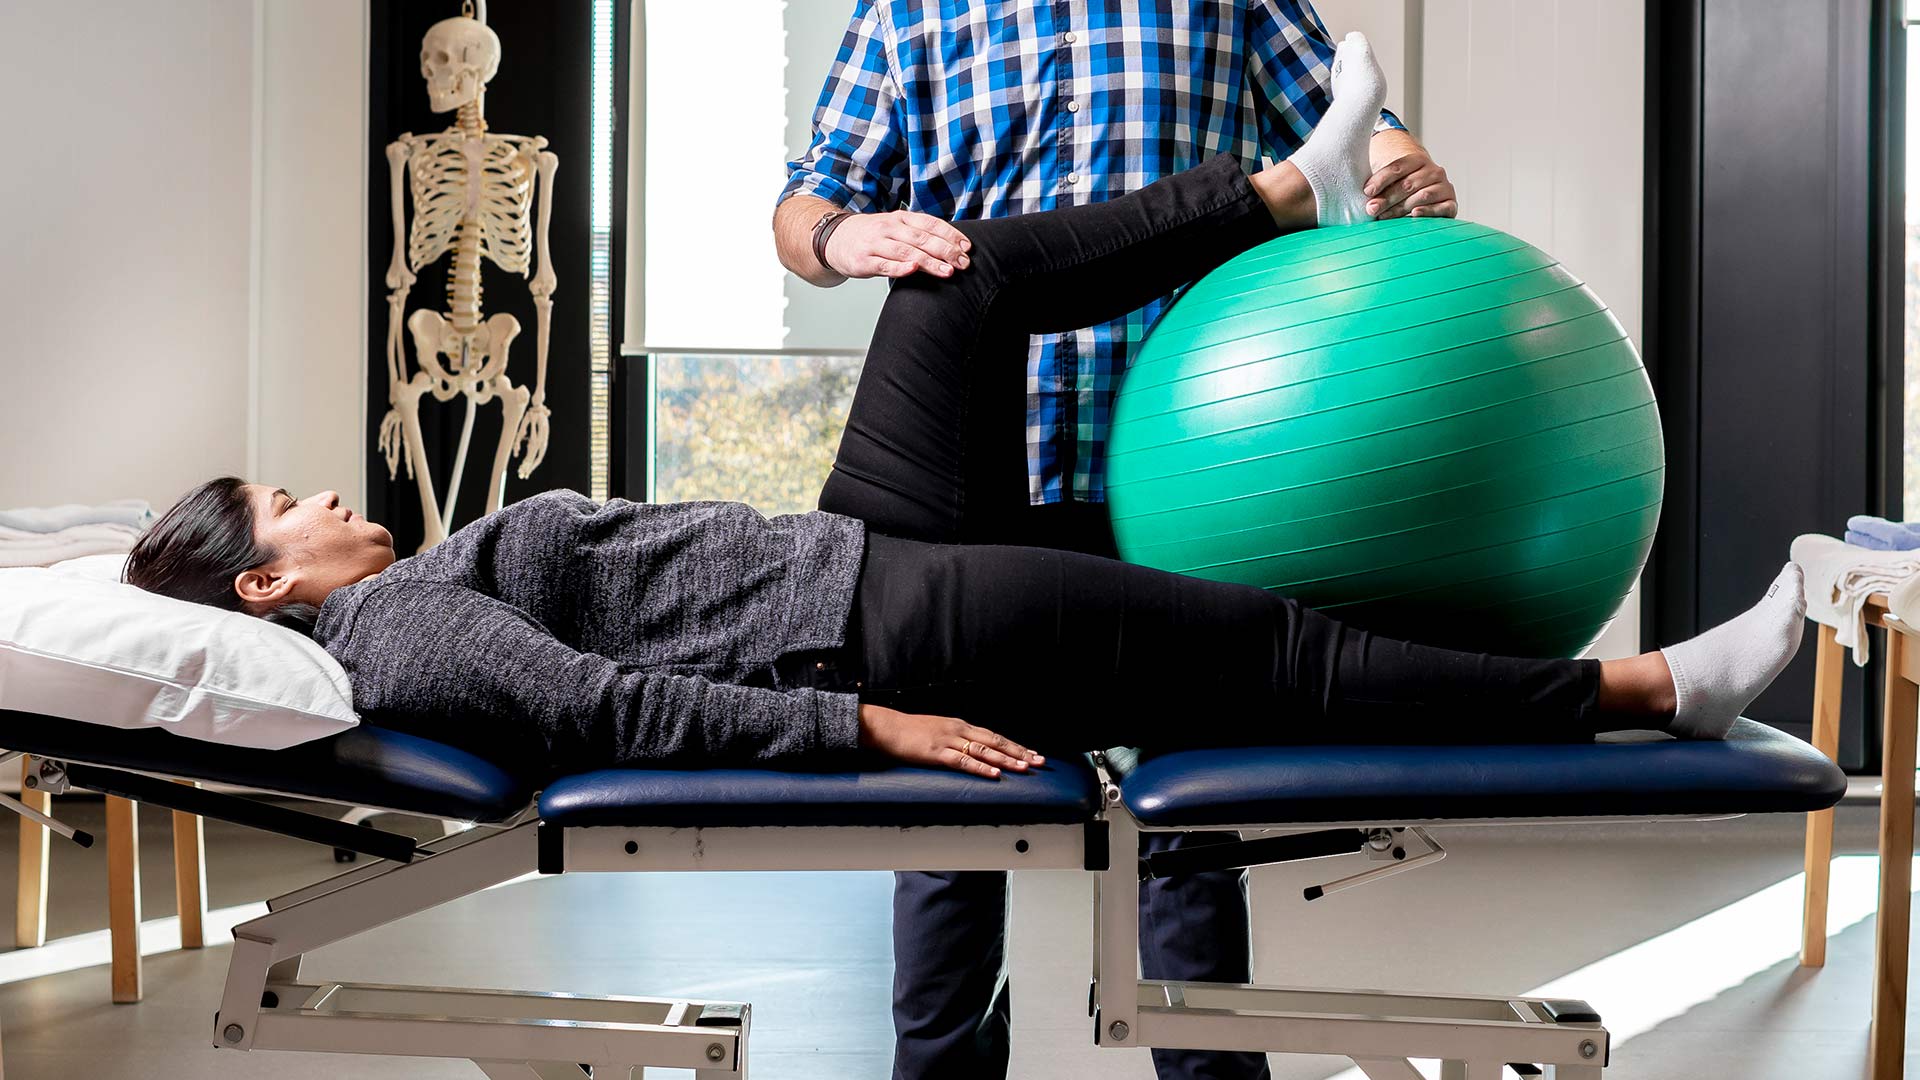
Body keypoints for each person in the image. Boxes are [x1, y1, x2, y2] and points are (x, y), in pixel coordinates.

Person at [127, 155, 1800, 812]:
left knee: (954, 277)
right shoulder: (403, 639)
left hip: (849, 555)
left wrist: (855, 242)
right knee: (1256, 646)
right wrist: (868, 728)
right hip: (873, 633)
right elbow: (612, 707)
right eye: (288, 506)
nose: (324, 495)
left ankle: (1289, 185)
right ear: (268, 585)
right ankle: (1654, 689)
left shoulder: (402, 606)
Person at [775, 15, 1451, 1075]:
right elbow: (808, 203)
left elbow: (1361, 124)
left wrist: (1397, 161)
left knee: (1188, 820)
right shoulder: (907, 16)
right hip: (981, 480)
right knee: (955, 821)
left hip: (1182, 468)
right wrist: (837, 239)